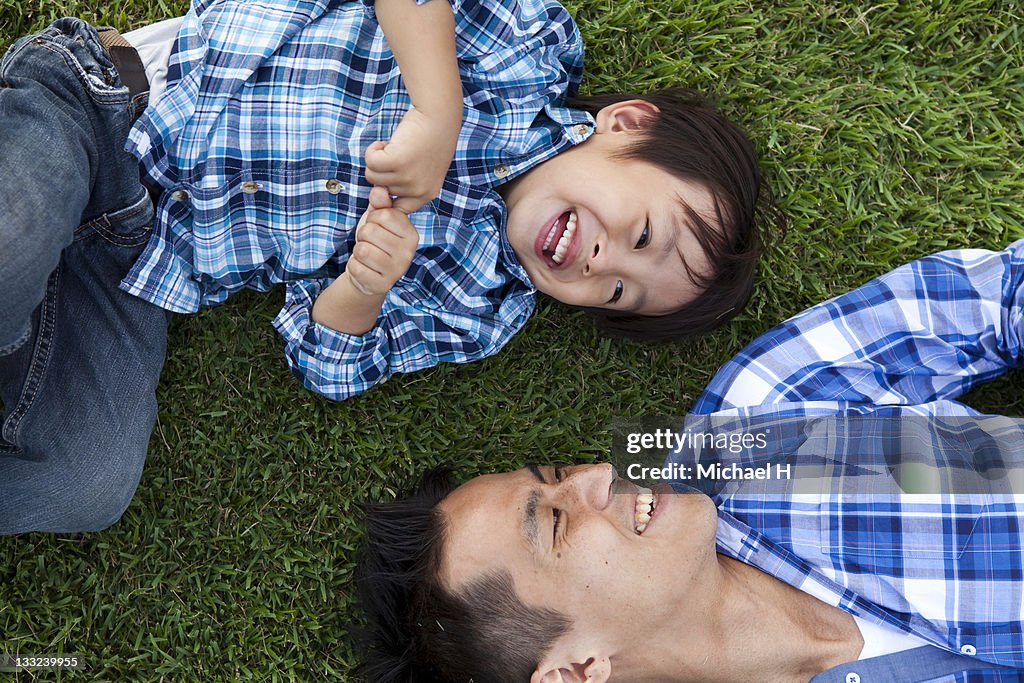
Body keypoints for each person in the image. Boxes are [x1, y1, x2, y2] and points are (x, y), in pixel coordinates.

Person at [0, 0, 763, 533]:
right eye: (641, 230)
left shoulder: (479, 306)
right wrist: (438, 110)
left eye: (621, 291)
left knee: (89, 478)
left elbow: (329, 363)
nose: (601, 262)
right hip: (106, 106)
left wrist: (363, 288)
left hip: (138, 257)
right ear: (625, 126)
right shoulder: (523, 57)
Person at [356, 240, 1024, 682]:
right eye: (555, 522)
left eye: (557, 473)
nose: (595, 472)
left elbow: (989, 296)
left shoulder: (741, 432)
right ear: (575, 669)